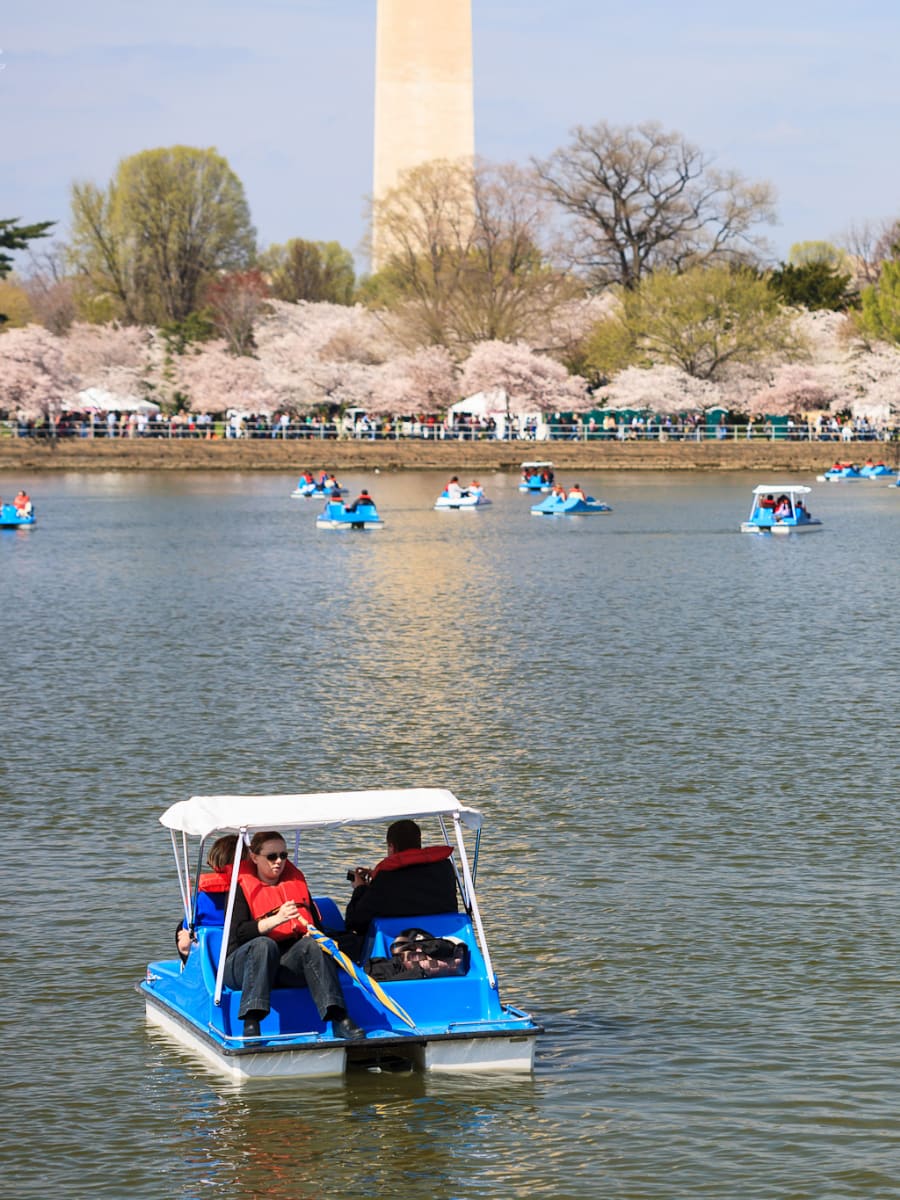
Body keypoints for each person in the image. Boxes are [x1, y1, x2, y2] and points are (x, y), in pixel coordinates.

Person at [223, 831, 363, 1040]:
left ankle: (339, 1019)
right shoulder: (240, 888)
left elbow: (316, 925)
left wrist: (312, 936)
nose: (279, 861)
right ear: (254, 857)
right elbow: (238, 933)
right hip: (243, 967)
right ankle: (251, 1022)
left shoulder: (295, 882)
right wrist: (276, 919)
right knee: (264, 945)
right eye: (271, 856)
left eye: (283, 855)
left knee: (314, 946)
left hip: (282, 967)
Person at [344, 819, 458, 942]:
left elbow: (355, 922)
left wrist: (361, 888)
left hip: (399, 945)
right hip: (444, 936)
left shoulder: (386, 877)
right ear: (418, 842)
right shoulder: (445, 868)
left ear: (391, 846)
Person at [175, 834, 245, 961]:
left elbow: (184, 943)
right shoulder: (248, 893)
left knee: (181, 929)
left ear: (213, 864)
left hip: (207, 957)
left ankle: (186, 967)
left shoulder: (199, 899)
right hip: (237, 952)